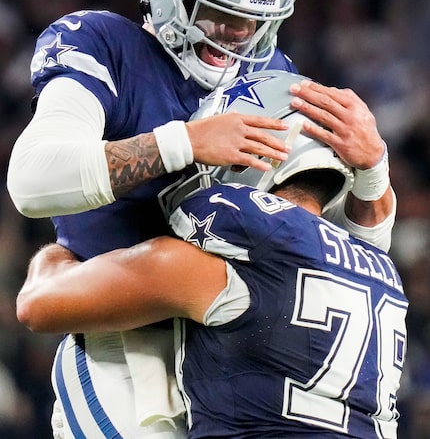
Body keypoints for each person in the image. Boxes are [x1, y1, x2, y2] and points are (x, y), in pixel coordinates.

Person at [7, 0, 395, 438]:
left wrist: (372, 171)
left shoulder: (275, 74)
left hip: (239, 353)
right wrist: (184, 143)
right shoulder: (104, 44)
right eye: (217, 12)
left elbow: (345, 267)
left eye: (252, 19)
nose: (238, 34)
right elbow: (32, 180)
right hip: (129, 346)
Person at [16, 71, 408, 438]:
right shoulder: (381, 270)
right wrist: (375, 168)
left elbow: (37, 304)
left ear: (249, 158)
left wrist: (63, 248)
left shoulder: (216, 271)